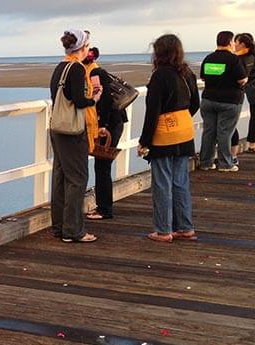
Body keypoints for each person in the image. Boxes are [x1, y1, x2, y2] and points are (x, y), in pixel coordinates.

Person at [137, 34, 200, 243]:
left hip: (164, 135)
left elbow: (152, 112)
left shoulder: (159, 76)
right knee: (180, 181)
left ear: (159, 53)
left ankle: (163, 230)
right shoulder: (187, 72)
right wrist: (181, 117)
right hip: (185, 132)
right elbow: (195, 103)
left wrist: (144, 141)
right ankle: (184, 227)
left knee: (162, 183)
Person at [49, 29, 98, 243]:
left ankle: (59, 227)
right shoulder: (77, 69)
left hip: (57, 129)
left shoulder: (60, 68)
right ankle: (74, 230)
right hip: (72, 130)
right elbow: (79, 100)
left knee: (60, 177)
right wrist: (94, 98)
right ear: (83, 48)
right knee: (77, 178)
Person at [83, 47, 128, 220]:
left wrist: (102, 125)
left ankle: (104, 209)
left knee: (102, 165)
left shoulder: (94, 73)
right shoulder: (96, 70)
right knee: (102, 165)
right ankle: (103, 206)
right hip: (113, 122)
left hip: (109, 125)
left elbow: (105, 100)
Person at [199, 31, 248, 172]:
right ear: (229, 42)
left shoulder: (208, 58)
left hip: (208, 100)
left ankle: (206, 162)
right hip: (229, 101)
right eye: (233, 42)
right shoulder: (234, 60)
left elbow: (203, 78)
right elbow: (242, 79)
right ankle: (225, 164)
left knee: (208, 132)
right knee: (225, 132)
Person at [230, 33, 255, 163]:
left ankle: (232, 156)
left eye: (236, 42)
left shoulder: (238, 60)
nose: (234, 44)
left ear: (242, 44)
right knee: (231, 125)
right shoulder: (252, 57)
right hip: (239, 95)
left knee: (230, 126)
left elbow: (239, 78)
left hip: (233, 96)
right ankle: (232, 156)